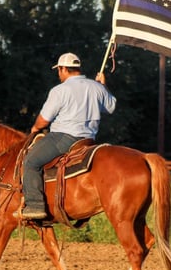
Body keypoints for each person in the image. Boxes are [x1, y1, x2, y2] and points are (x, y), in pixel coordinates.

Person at [18, 52, 117, 220]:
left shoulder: (60, 90)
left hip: (63, 138)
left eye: (59, 70)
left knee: (30, 162)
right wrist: (103, 85)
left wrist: (35, 128)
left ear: (63, 69)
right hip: (88, 141)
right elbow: (111, 107)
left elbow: (44, 120)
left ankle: (35, 206)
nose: (59, 74)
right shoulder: (97, 87)